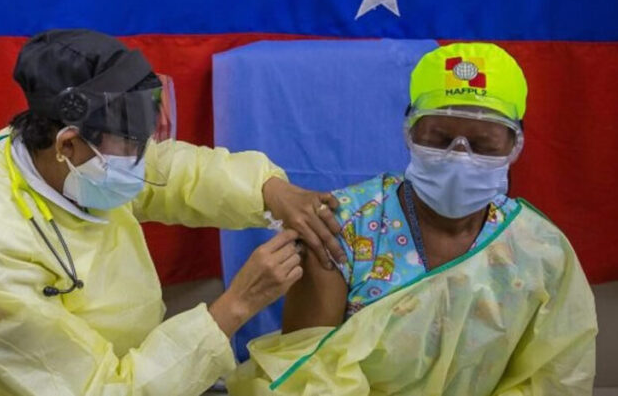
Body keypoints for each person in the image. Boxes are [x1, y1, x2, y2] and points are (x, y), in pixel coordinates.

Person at [0, 29, 347, 396]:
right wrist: (235, 306)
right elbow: (100, 389)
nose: (144, 160)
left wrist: (268, 189)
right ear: (67, 144)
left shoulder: (54, 157)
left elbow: (174, 171)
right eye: (131, 146)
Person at [228, 43, 597, 395]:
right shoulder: (340, 228)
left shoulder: (539, 250)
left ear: (515, 145)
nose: (459, 156)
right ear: (410, 131)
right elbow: (305, 375)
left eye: (483, 144)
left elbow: (552, 377)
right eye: (439, 138)